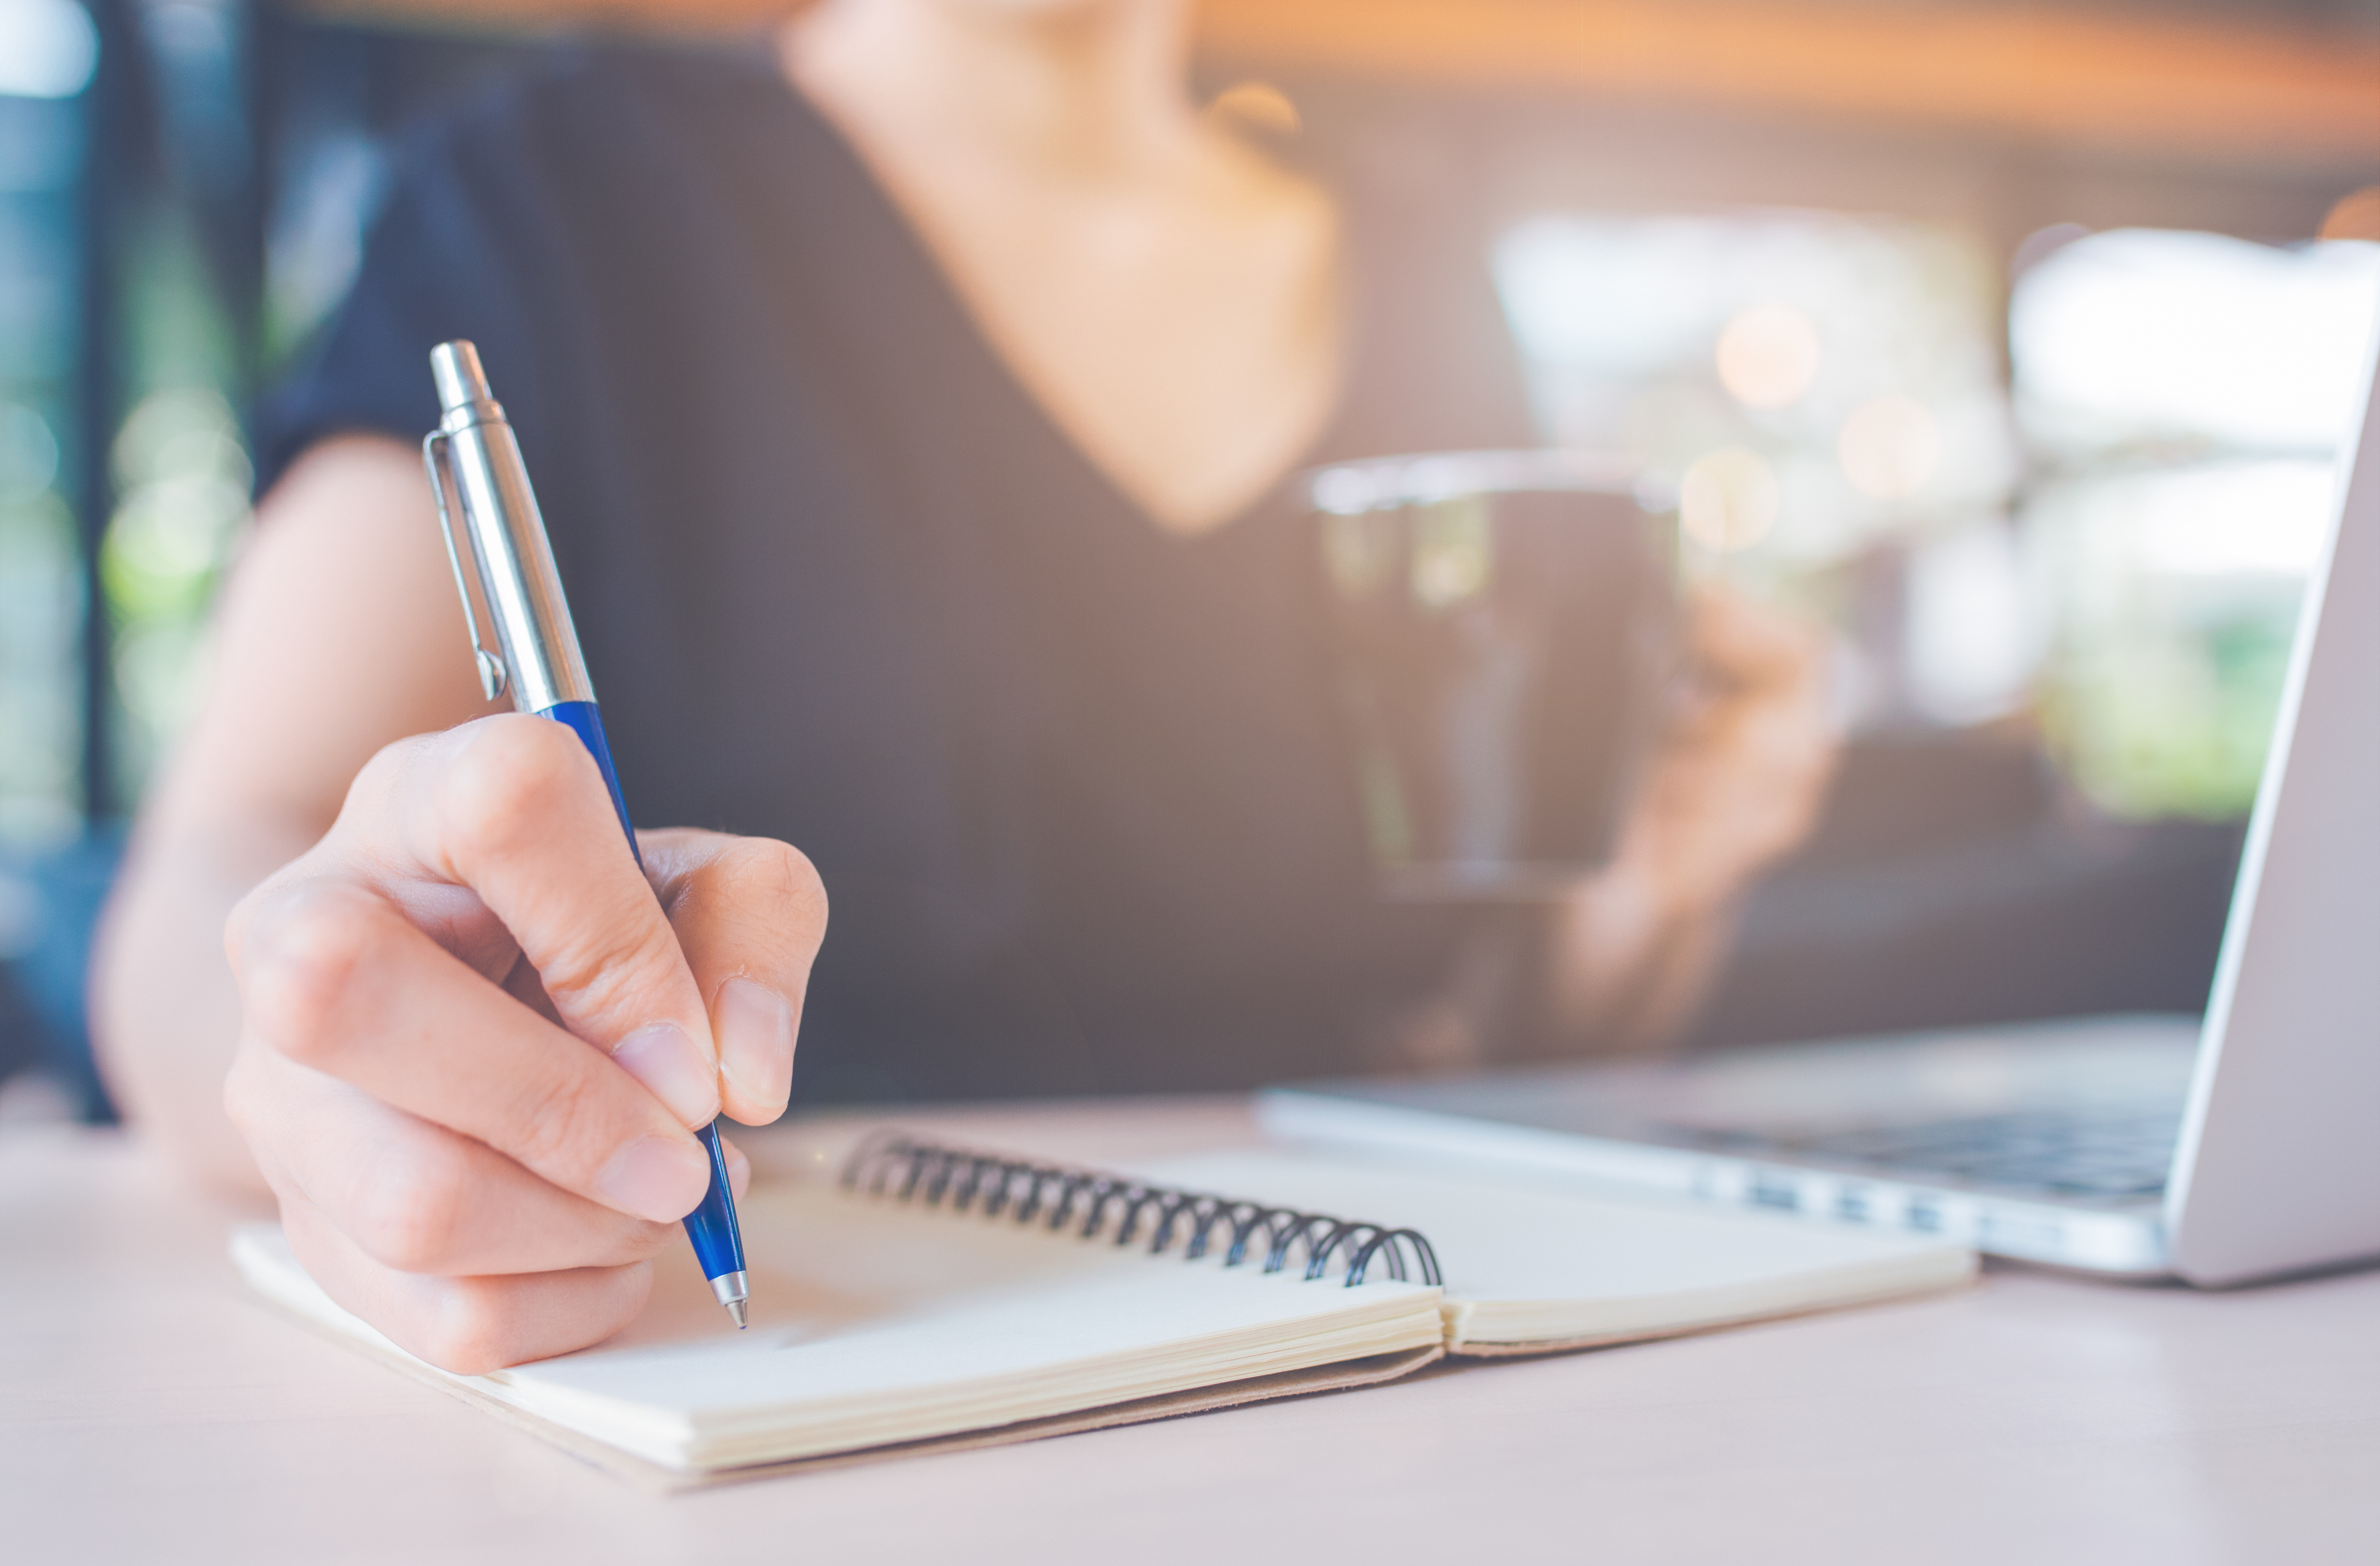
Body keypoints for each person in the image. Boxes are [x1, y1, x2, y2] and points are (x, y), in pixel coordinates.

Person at [91, 0, 1833, 1373]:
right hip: (809, 1393)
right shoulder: (557, 202)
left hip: (1386, 1385)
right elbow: (214, 889)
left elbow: (1481, 1047)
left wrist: (1642, 906)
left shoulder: (1428, 278)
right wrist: (332, 1054)